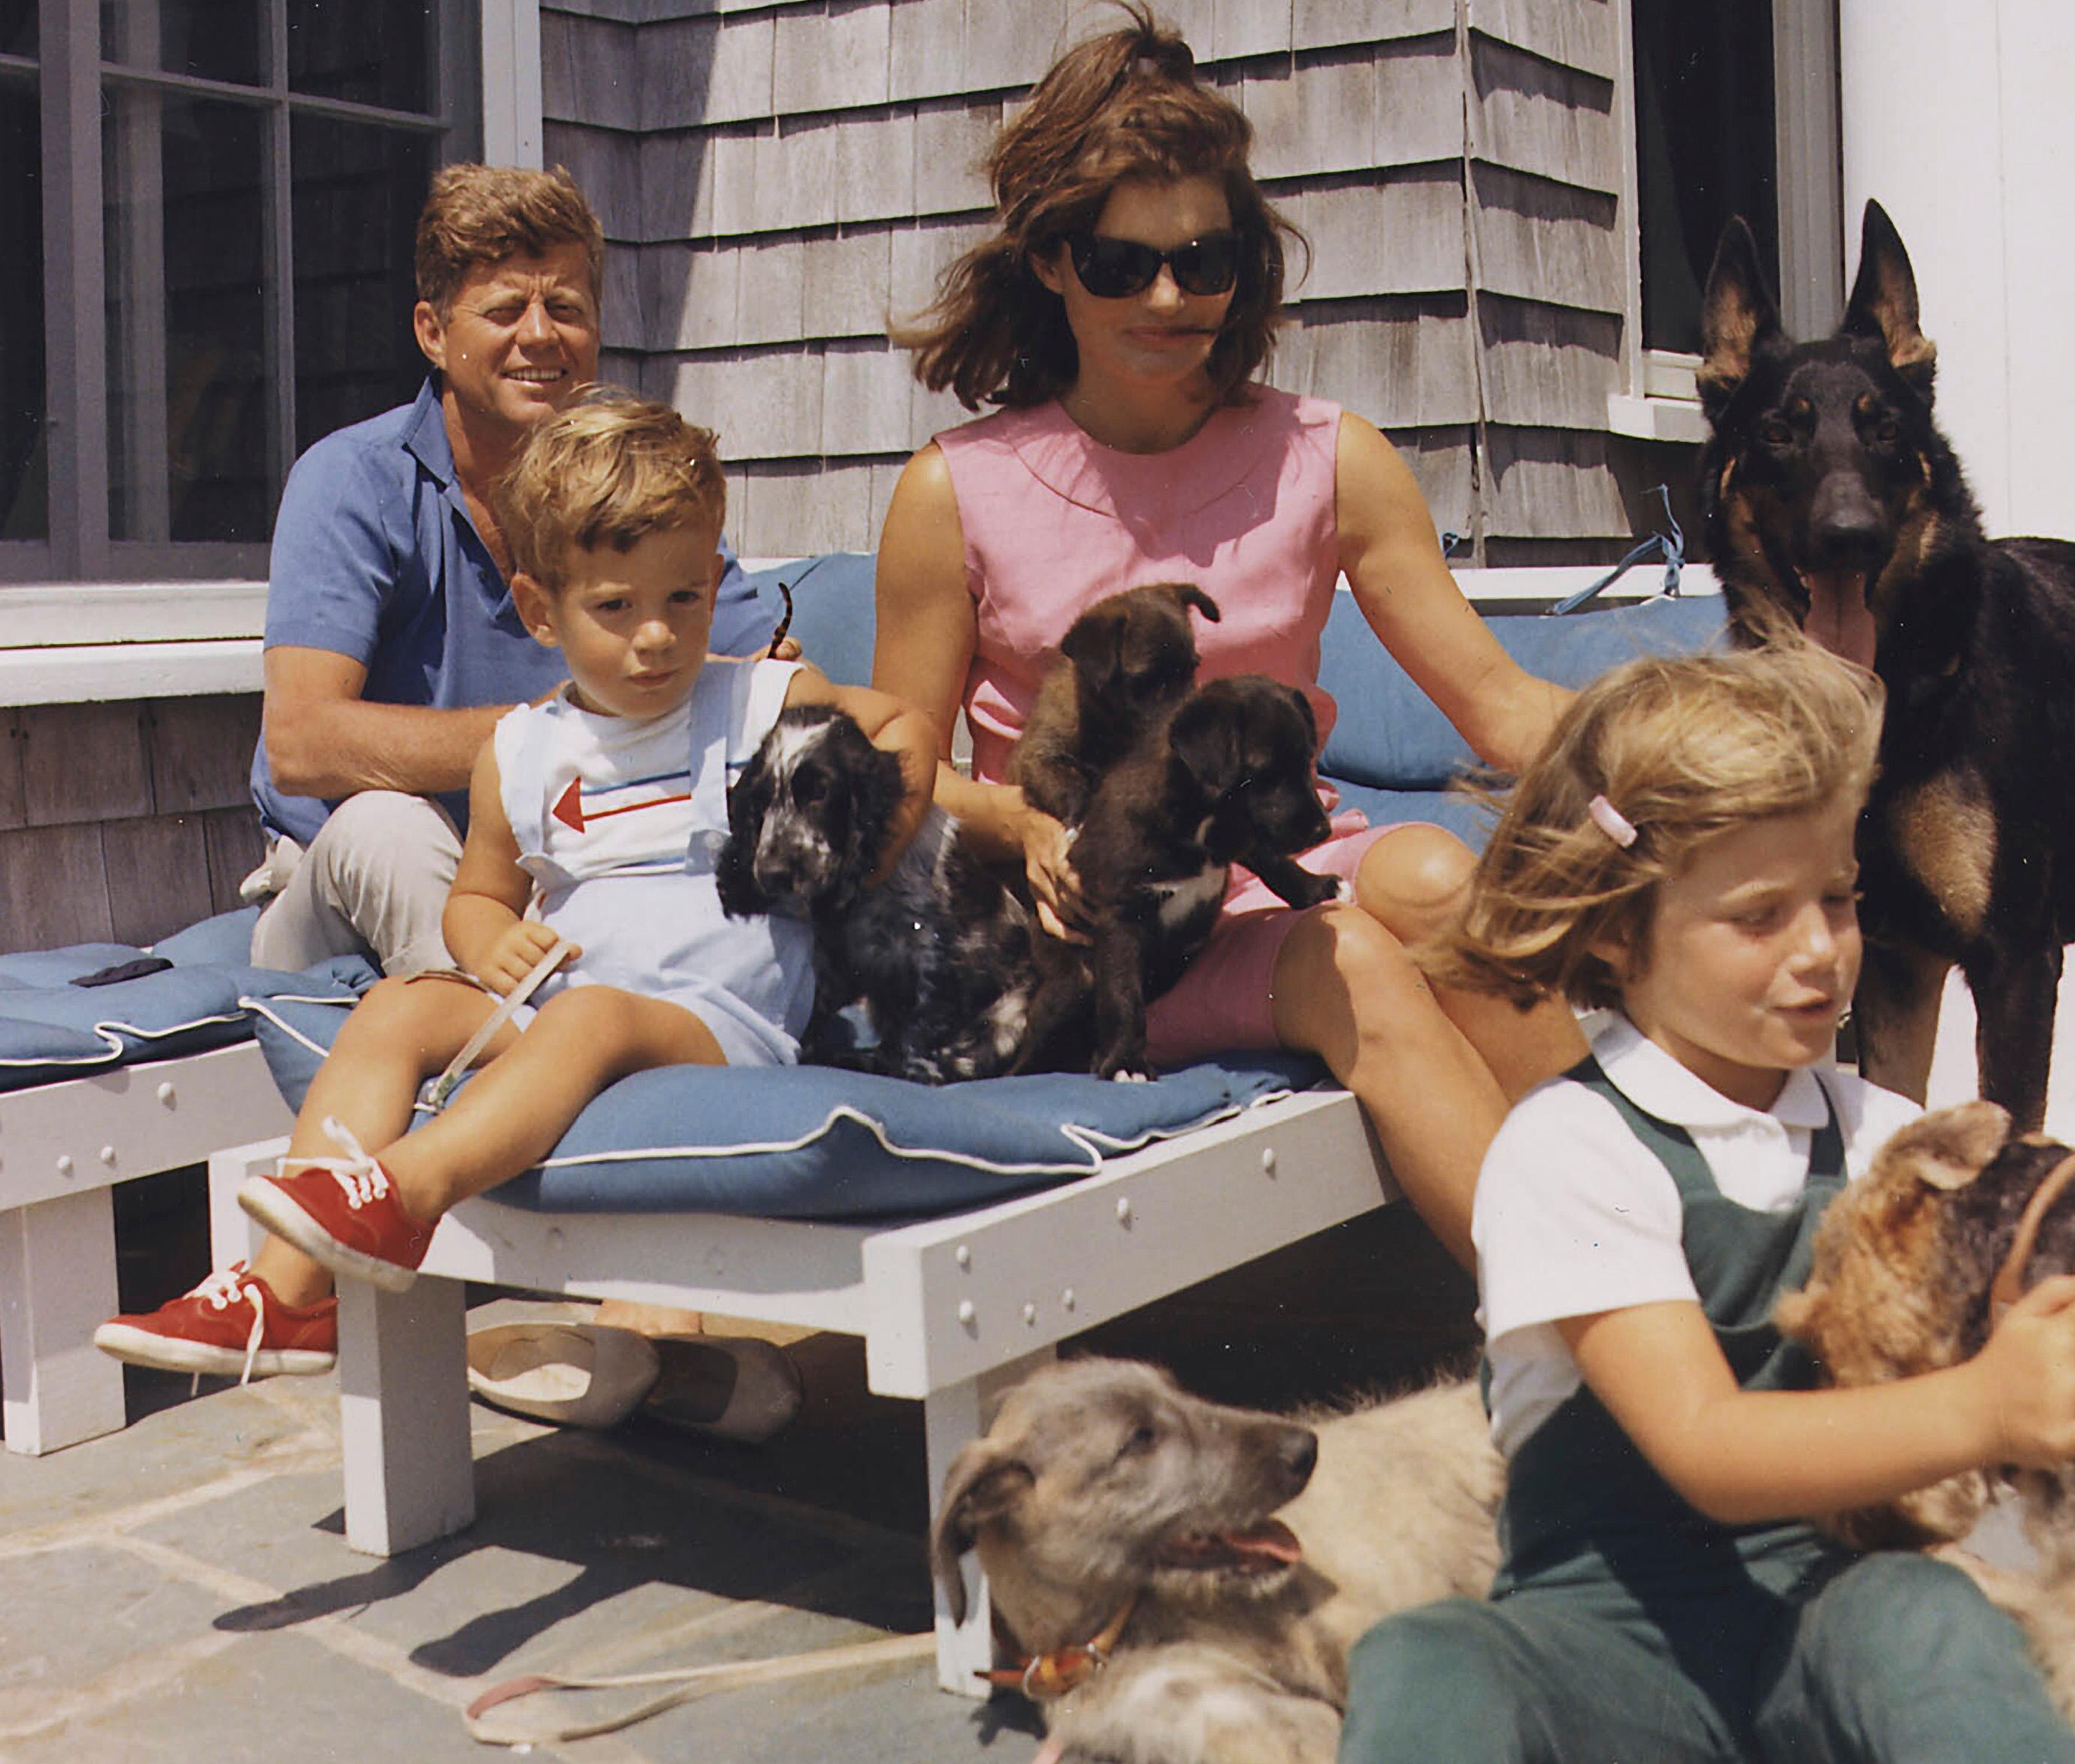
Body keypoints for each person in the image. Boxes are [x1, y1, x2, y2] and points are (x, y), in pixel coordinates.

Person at [1334, 646, 2075, 1762]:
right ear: (1615, 930)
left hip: (1817, 1624)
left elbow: (2064, 1243)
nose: (1821, 951)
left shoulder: (1882, 1134)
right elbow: (1707, 1442)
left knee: (1928, 1614)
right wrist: (1986, 1406)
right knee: (1432, 1653)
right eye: (1758, 915)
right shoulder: (1570, 1147)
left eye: (1838, 897)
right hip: (1608, 1649)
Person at [871, 7, 1584, 1263]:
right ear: (1051, 262)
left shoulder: (1331, 458)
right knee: (1353, 958)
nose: (1169, 296)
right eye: (1121, 263)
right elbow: (902, 771)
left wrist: (1709, 763)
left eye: (1204, 262)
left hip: (1281, 875)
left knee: (1429, 876)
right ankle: (1593, 1329)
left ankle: (1677, 1250)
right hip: (1093, 932)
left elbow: (1503, 706)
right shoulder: (954, 491)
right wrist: (1026, 825)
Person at [106, 394, 936, 1436]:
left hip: (719, 1015)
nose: (656, 635)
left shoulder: (756, 701)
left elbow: (902, 728)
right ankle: (284, 1289)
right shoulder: (521, 751)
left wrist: (849, 859)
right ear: (541, 610)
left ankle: (401, 1195)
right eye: (615, 605)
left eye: (684, 597)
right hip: (570, 996)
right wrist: (487, 943)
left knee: (592, 1020)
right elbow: (481, 894)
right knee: (403, 1006)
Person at [245, 163, 777, 981]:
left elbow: (758, 680)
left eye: (565, 307)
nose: (539, 335)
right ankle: (502, 1062)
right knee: (390, 826)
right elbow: (304, 741)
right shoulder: (354, 477)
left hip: (564, 871)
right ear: (432, 331)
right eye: (503, 310)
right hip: (344, 886)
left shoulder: (631, 490)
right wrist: (563, 729)